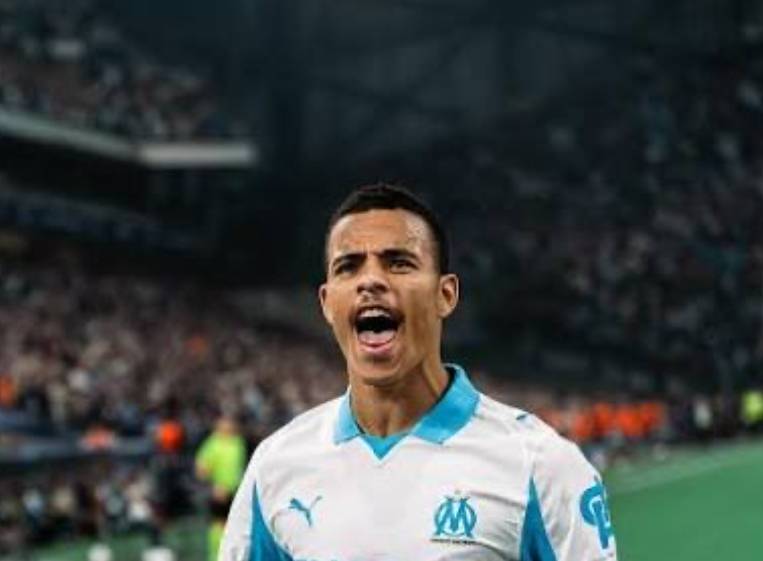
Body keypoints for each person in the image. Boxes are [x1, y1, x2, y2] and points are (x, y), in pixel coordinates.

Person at [220, 184, 617, 560]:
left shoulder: (539, 465)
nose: (370, 280)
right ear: (326, 303)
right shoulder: (276, 467)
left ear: (446, 294)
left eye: (398, 263)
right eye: (348, 267)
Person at [196, 414, 248, 561]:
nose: (229, 425)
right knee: (220, 524)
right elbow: (201, 468)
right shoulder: (212, 443)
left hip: (238, 490)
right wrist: (213, 485)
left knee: (237, 525)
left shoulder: (239, 442)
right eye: (225, 423)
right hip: (220, 490)